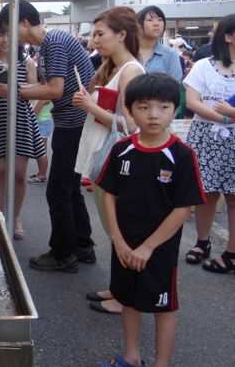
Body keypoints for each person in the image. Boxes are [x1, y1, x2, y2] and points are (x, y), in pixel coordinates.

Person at [97, 73, 205, 367]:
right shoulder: (123, 149)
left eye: (163, 107)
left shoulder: (181, 155)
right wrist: (117, 240)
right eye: (144, 107)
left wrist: (148, 247)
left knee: (163, 306)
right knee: (128, 299)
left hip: (159, 250)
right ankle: (131, 357)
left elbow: (184, 208)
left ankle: (161, 363)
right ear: (130, 110)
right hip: (124, 245)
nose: (154, 115)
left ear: (175, 110)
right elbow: (108, 193)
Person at [0, 0, 95, 272]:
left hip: (73, 123)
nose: (8, 36)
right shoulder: (53, 42)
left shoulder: (53, 42)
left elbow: (54, 91)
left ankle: (63, 253)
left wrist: (14, 91)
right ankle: (83, 245)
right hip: (75, 122)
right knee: (71, 188)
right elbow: (49, 86)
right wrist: (20, 87)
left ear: (24, 23)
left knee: (58, 190)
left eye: (9, 28)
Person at [72, 7, 145, 315]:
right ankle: (118, 288)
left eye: (100, 34)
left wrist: (91, 106)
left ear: (122, 35)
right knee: (111, 226)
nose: (94, 40)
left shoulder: (131, 71)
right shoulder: (113, 68)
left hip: (118, 162)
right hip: (106, 159)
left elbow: (132, 125)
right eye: (94, 34)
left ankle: (125, 296)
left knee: (121, 229)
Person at [0, 22, 45, 240]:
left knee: (18, 174)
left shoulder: (27, 63)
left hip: (21, 121)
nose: (4, 39)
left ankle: (15, 217)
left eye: (9, 34)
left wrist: (11, 90)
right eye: (0, 34)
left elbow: (34, 92)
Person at [183, 14, 235, 274]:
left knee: (234, 198)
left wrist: (230, 117)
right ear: (228, 36)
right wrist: (225, 117)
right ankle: (202, 243)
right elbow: (193, 102)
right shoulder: (203, 65)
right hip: (206, 136)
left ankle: (232, 253)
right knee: (207, 194)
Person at [136, 6, 183, 81]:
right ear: (138, 25)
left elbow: (175, 85)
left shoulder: (170, 55)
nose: (156, 24)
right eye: (150, 20)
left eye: (160, 20)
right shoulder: (128, 52)